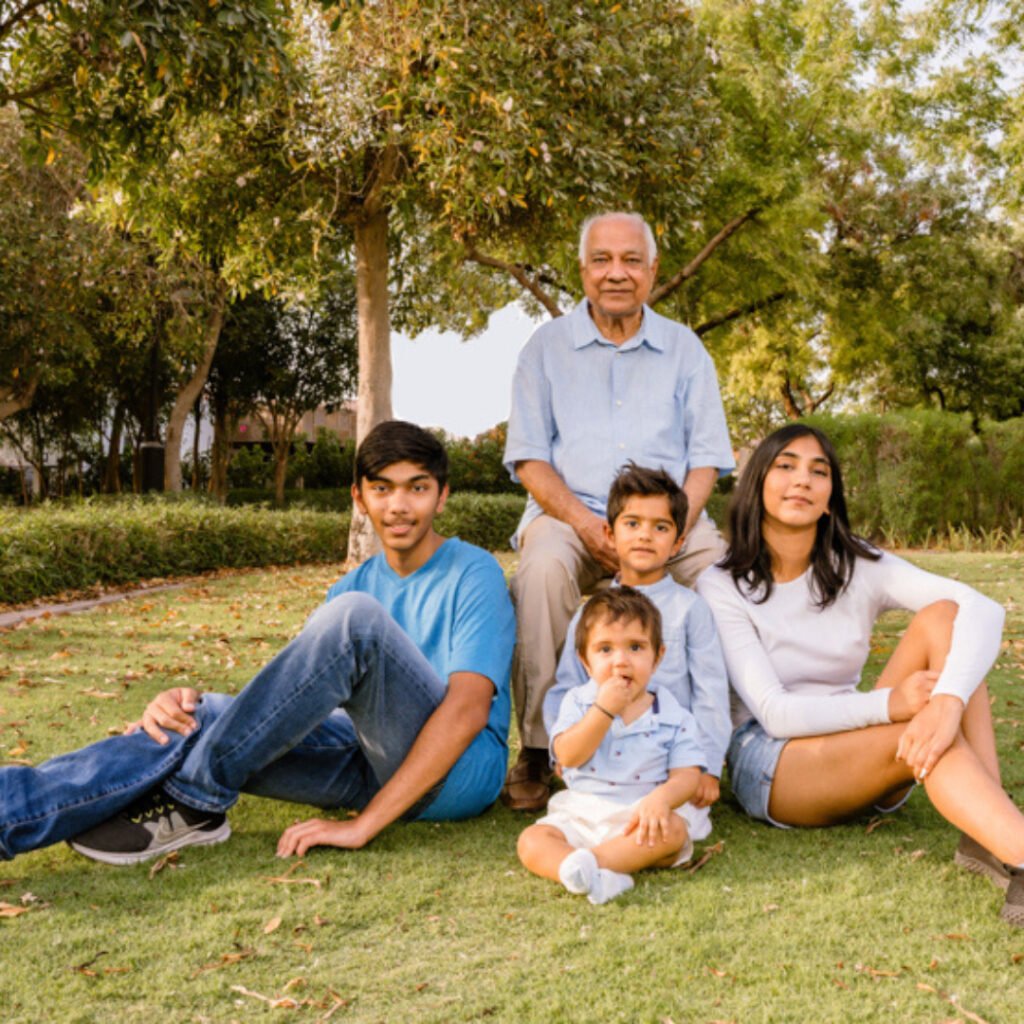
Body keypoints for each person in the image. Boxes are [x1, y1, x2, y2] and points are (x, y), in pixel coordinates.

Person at [0, 421, 516, 864]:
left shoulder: (474, 572)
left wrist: (364, 825)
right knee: (194, 714)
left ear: (443, 495)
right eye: (382, 488)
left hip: (455, 775)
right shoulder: (352, 584)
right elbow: (287, 705)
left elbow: (468, 712)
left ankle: (196, 799)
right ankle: (11, 810)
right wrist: (196, 713)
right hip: (368, 759)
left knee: (354, 621)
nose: (399, 506)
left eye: (417, 488)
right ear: (359, 499)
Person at [695, 422, 1024, 927]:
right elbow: (776, 713)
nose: (802, 479)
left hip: (860, 741)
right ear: (757, 483)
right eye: (785, 466)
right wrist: (891, 707)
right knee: (914, 728)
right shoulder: (723, 583)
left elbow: (981, 608)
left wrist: (948, 701)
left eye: (818, 470)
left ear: (830, 499)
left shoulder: (857, 563)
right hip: (771, 759)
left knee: (945, 618)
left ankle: (987, 833)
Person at [502, 210, 735, 811]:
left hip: (673, 516)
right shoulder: (544, 349)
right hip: (570, 512)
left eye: (632, 260)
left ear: (652, 270)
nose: (617, 273)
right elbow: (528, 460)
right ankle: (539, 744)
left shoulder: (685, 350)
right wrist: (589, 526)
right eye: (602, 259)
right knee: (544, 570)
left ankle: (718, 743)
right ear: (582, 270)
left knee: (728, 578)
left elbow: (707, 458)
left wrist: (674, 527)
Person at [543, 463, 730, 825]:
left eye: (660, 527)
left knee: (665, 828)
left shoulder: (691, 609)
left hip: (667, 768)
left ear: (678, 542)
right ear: (609, 533)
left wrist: (706, 766)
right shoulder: (590, 616)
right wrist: (561, 752)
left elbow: (711, 692)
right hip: (603, 767)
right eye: (632, 524)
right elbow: (566, 685)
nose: (645, 535)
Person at [517, 588, 705, 904]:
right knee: (531, 841)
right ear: (585, 662)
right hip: (583, 812)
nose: (621, 661)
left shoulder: (673, 715)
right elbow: (568, 755)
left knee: (673, 832)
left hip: (641, 816)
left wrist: (660, 799)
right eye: (605, 649)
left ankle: (584, 867)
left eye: (635, 647)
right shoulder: (577, 703)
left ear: (657, 657)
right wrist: (603, 710)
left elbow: (688, 775)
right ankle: (602, 870)